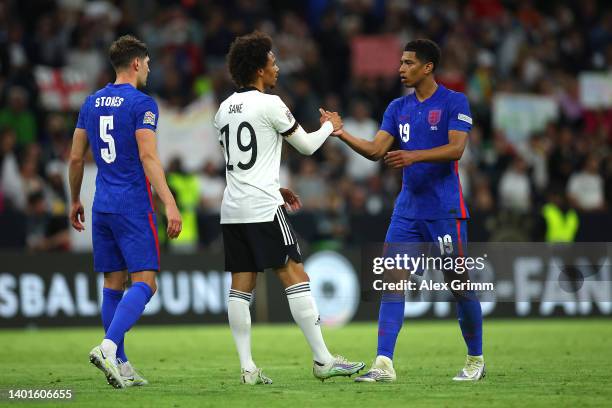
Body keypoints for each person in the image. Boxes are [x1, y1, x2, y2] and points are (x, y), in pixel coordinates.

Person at [214, 31, 364, 385]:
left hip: (233, 208)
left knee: (241, 286)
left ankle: (248, 367)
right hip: (263, 209)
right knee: (297, 276)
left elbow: (242, 163)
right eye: (272, 61)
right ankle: (324, 360)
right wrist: (330, 126)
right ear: (258, 69)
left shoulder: (222, 110)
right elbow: (309, 147)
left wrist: (275, 184)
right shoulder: (271, 104)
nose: (277, 67)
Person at [332, 39, 485, 382]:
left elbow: (457, 148)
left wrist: (413, 155)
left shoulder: (453, 101)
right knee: (392, 282)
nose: (400, 68)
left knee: (458, 284)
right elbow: (375, 150)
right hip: (407, 212)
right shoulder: (397, 107)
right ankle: (383, 363)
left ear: (427, 67)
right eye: (401, 63)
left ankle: (476, 360)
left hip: (445, 210)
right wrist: (342, 134)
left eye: (408, 63)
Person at [68, 35, 182, 389]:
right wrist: (170, 201)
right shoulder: (142, 104)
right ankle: (107, 348)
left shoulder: (91, 102)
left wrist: (75, 199)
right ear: (136, 63)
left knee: (113, 284)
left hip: (101, 204)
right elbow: (148, 157)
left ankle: (122, 363)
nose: (149, 68)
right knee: (146, 283)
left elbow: (75, 158)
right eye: (147, 62)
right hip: (133, 204)